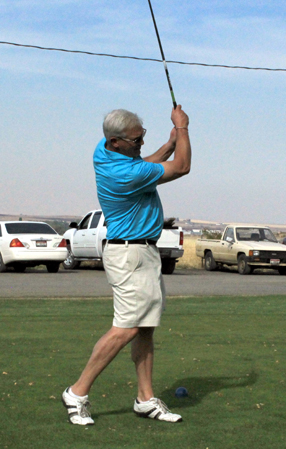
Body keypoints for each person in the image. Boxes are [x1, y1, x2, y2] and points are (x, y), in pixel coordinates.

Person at [62, 105, 191, 425]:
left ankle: (145, 399)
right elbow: (182, 167)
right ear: (117, 141)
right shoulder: (125, 173)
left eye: (142, 137)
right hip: (130, 255)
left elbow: (146, 162)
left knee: (145, 327)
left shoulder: (104, 152)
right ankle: (76, 392)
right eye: (136, 141)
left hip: (141, 253)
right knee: (128, 327)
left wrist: (167, 143)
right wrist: (183, 130)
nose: (141, 145)